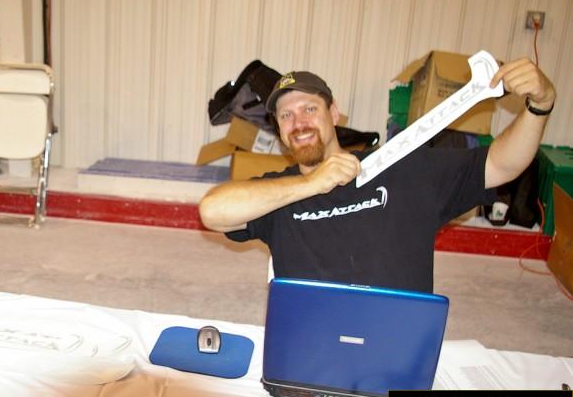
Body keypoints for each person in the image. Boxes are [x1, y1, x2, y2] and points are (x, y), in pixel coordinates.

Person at [199, 60, 555, 292]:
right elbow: (212, 211)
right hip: (311, 344)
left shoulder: (404, 167)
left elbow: (502, 165)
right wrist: (311, 183)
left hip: (397, 345)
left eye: (310, 108)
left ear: (334, 113)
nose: (300, 122)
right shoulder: (281, 192)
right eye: (286, 115)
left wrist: (541, 105)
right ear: (277, 128)